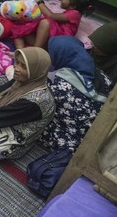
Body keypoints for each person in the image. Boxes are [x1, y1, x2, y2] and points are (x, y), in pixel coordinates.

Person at [40, 23, 117, 151]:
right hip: (84, 117)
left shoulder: (59, 83)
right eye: (93, 42)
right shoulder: (85, 58)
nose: (93, 47)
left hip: (72, 137)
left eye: (99, 46)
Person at [11, 0, 95, 49]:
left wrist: (39, 1)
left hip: (58, 42)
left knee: (45, 22)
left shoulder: (75, 14)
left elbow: (50, 16)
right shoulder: (71, 12)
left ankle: (35, 51)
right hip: (49, 39)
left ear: (73, 5)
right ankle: (20, 51)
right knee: (23, 29)